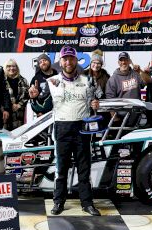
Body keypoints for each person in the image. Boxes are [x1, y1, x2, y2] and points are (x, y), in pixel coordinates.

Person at [47, 45, 102, 216]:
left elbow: (97, 99)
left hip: (82, 127)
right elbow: (42, 105)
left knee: (84, 168)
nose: (68, 61)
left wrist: (95, 104)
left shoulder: (88, 81)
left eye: (71, 58)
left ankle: (87, 203)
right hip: (62, 127)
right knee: (61, 168)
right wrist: (34, 98)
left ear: (76, 60)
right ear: (60, 61)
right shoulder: (52, 81)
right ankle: (58, 202)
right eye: (65, 58)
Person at [3, 59, 29, 130]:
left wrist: (19, 105)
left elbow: (27, 96)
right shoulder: (1, 80)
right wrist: (9, 105)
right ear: (5, 68)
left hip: (19, 116)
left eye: (13, 66)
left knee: (18, 137)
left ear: (17, 68)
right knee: (4, 138)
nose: (11, 68)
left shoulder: (23, 81)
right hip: (4, 114)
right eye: (8, 66)